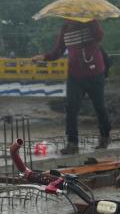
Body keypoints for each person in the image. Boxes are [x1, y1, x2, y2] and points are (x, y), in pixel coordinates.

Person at [33, 18, 111, 154]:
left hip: (95, 73)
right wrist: (43, 57)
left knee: (99, 106)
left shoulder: (90, 23)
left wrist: (90, 22)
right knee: (71, 108)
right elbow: (57, 52)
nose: (68, 19)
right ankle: (72, 143)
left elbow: (100, 36)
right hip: (75, 75)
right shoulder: (65, 29)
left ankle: (105, 137)